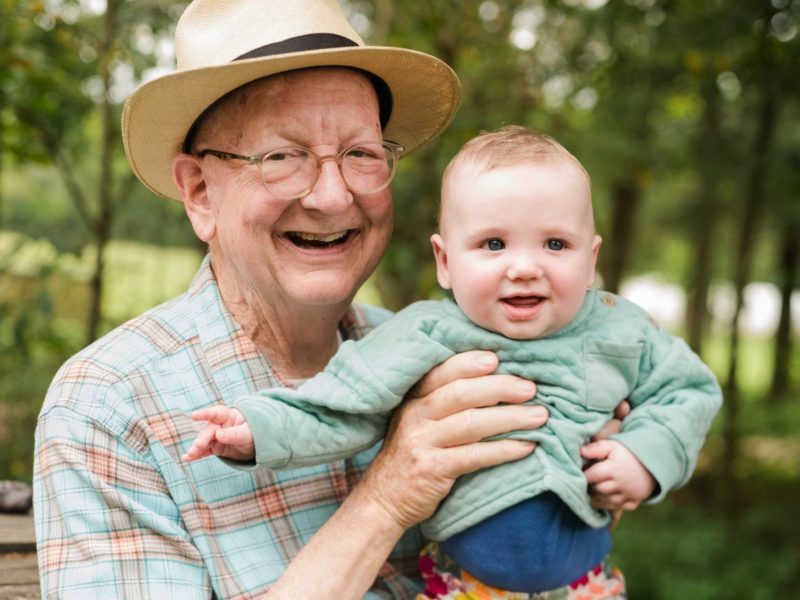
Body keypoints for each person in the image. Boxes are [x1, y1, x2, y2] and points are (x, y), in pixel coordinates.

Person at [32, 2, 637, 598]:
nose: (331, 196)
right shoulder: (111, 409)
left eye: (361, 154)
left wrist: (596, 468)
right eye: (282, 157)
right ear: (200, 193)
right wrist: (386, 497)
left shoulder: (435, 354)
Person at [183, 125, 723, 597]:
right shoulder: (428, 333)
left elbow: (690, 391)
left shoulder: (621, 327)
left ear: (591, 259)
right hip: (464, 587)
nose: (525, 267)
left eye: (556, 244)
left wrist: (645, 457)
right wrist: (257, 428)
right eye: (493, 244)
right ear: (445, 260)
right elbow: (343, 402)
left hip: (585, 583)